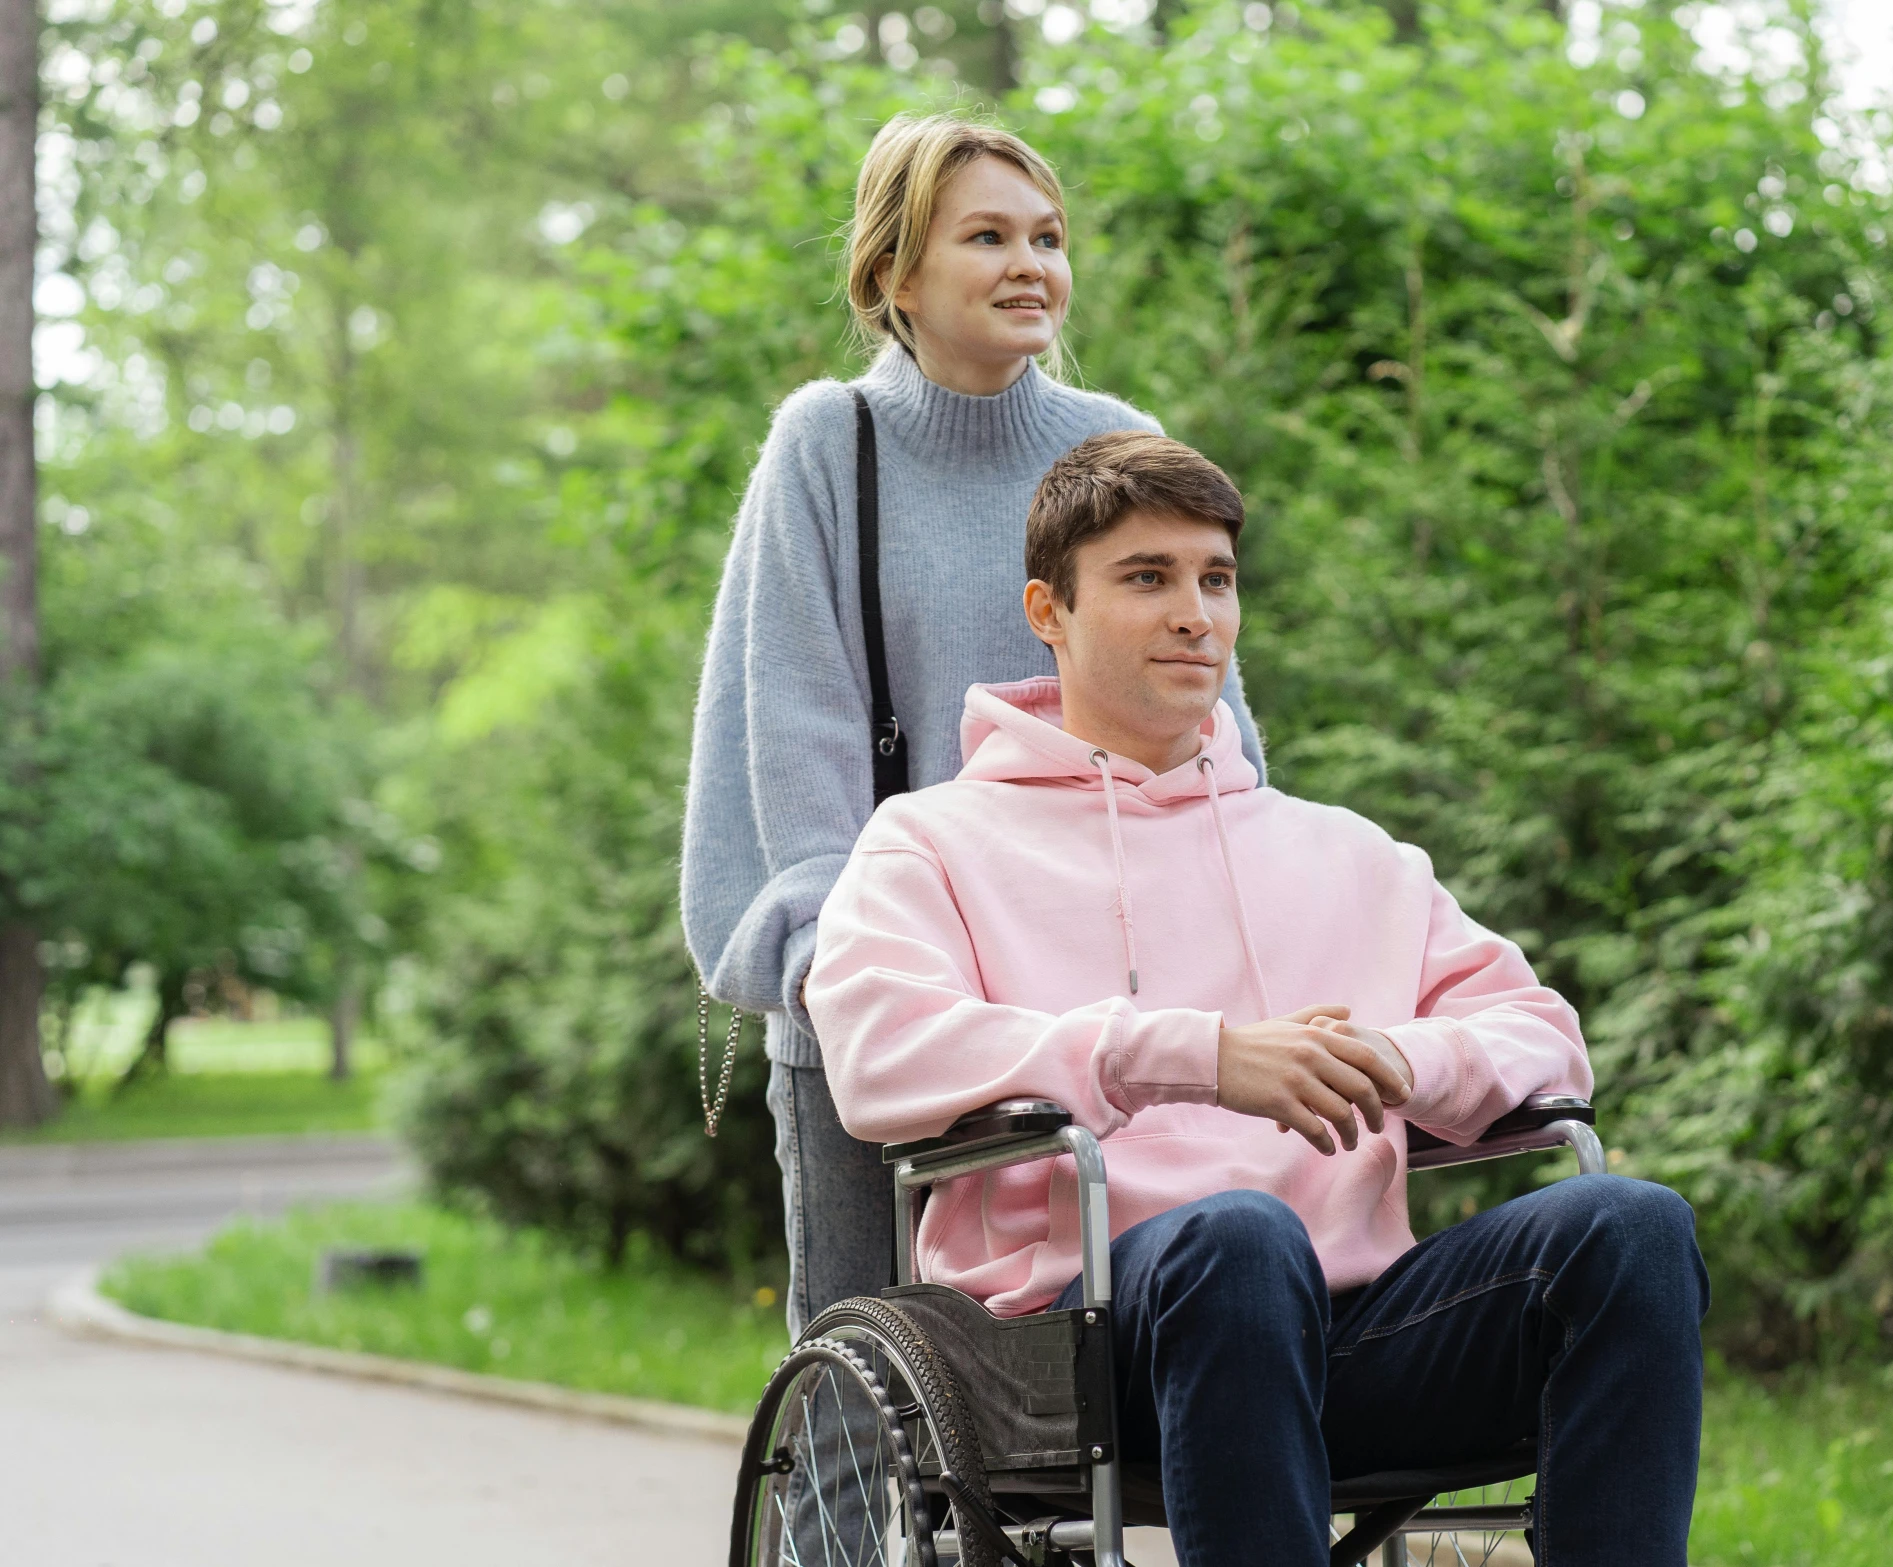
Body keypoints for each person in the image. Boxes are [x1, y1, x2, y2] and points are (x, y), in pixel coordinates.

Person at [806, 433, 1711, 1566]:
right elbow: (880, 1050)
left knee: (1632, 1225)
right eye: (1148, 578)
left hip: (1356, 1333)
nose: (1195, 613)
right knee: (1240, 1238)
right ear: (1050, 609)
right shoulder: (932, 841)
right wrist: (1193, 1055)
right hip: (1079, 1349)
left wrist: (1395, 1058)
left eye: (1215, 579)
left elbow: (1544, 1037)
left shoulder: (1347, 853)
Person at [680, 115, 1265, 1337]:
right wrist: (845, 983)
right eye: (986, 237)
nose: (1028, 266)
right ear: (893, 275)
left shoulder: (1114, 442)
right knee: (865, 1372)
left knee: (1095, 1392)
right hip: (885, 1003)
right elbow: (795, 732)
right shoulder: (827, 447)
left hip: (1094, 1000)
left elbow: (1208, 718)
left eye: (1046, 238)